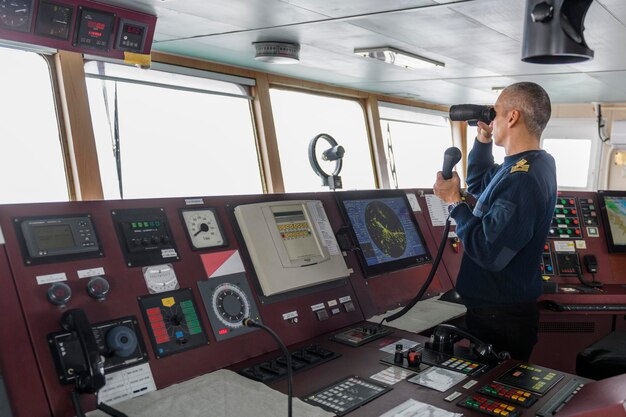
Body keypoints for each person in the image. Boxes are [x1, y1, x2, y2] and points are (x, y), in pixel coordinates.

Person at [433, 82, 557, 361]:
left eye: (497, 113)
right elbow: (478, 182)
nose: (492, 118)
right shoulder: (532, 163)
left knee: (494, 399)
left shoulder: (522, 179)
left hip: (500, 317)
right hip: (497, 309)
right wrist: (484, 138)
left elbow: (488, 251)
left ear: (512, 118)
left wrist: (454, 201)